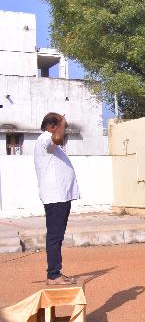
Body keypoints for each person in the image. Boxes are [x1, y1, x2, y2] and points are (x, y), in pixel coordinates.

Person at [34, 112, 80, 285]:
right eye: (62, 125)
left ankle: (55, 272)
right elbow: (58, 138)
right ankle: (53, 275)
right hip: (55, 197)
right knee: (54, 237)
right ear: (52, 126)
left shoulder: (49, 143)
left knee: (57, 236)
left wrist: (60, 123)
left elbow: (58, 139)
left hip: (60, 197)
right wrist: (62, 122)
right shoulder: (45, 138)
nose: (64, 128)